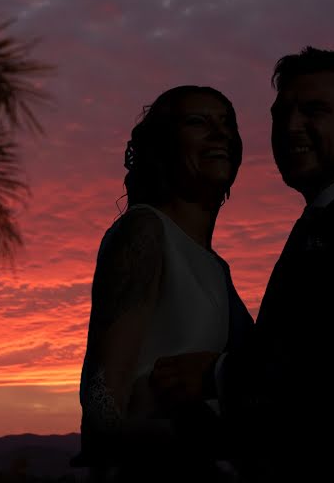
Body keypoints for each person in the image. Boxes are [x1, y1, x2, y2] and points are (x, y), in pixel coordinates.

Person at [150, 47, 334, 482]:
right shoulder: (308, 232)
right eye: (280, 113)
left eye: (315, 110)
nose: (290, 126)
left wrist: (218, 374)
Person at [75, 86, 254, 481]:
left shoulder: (216, 267)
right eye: (198, 123)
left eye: (227, 124)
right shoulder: (145, 231)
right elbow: (102, 403)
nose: (219, 133)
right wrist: (199, 441)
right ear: (163, 145)